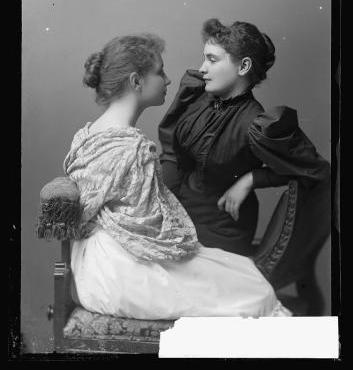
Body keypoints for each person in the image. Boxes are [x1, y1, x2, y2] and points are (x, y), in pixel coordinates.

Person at [63, 32, 291, 320]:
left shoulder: (87, 134)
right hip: (120, 274)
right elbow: (150, 231)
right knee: (255, 290)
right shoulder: (131, 148)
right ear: (136, 82)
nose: (168, 80)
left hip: (91, 263)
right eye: (160, 72)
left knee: (239, 272)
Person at [158, 19, 331, 256]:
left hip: (219, 230)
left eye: (212, 59)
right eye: (204, 58)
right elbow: (172, 153)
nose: (203, 68)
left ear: (243, 66)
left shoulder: (256, 124)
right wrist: (161, 204)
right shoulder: (198, 97)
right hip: (177, 210)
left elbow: (315, 170)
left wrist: (250, 179)